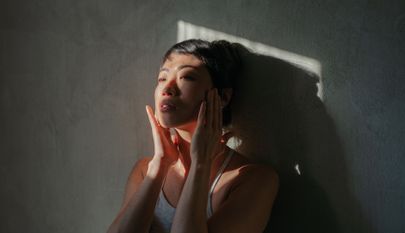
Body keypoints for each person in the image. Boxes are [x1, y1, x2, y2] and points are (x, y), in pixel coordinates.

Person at [107, 39, 279, 233]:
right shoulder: (146, 171)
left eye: (187, 77)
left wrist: (201, 164)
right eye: (162, 78)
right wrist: (160, 164)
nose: (168, 88)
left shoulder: (254, 179)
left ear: (222, 97)